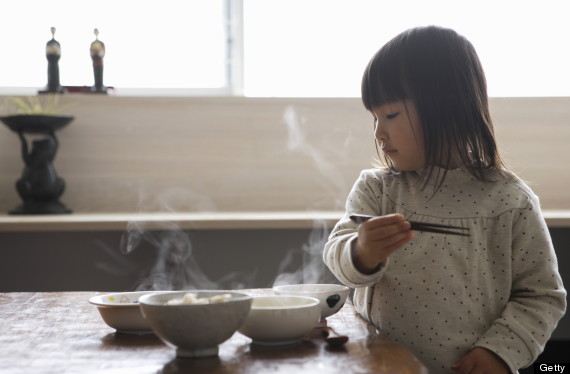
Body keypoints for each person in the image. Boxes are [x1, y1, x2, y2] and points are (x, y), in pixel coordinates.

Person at [323, 25, 566, 374]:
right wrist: (362, 253)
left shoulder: (508, 201)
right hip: (380, 365)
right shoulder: (378, 189)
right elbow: (337, 253)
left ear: (448, 110)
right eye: (374, 118)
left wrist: (499, 352)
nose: (378, 132)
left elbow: (542, 295)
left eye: (390, 115)